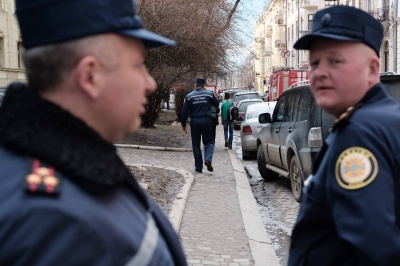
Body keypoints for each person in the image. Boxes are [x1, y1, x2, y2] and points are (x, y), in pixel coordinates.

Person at [0, 0, 188, 265]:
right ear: (90, 76)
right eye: (137, 65)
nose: (150, 83)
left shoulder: (71, 177)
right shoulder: (61, 225)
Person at [289, 6, 400, 265]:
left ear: (373, 69)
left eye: (335, 61)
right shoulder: (385, 119)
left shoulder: (359, 133)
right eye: (314, 63)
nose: (320, 72)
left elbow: (376, 248)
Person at [181, 78, 219, 173]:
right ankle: (208, 159)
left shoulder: (189, 96)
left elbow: (184, 112)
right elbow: (217, 104)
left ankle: (198, 167)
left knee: (196, 144)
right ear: (203, 85)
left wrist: (183, 123)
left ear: (196, 84)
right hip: (207, 120)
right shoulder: (209, 94)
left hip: (195, 121)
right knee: (209, 142)